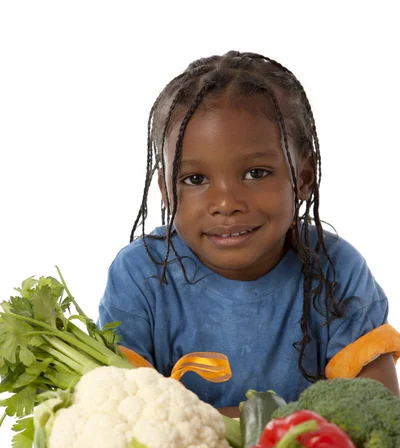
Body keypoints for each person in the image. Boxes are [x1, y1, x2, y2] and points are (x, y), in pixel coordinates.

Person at [98, 50, 399, 415]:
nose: (226, 202)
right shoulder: (140, 276)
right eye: (195, 179)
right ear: (165, 190)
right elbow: (124, 411)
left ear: (303, 177)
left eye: (256, 173)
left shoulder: (337, 268)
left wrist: (224, 423)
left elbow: (378, 409)